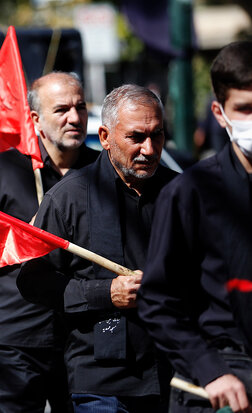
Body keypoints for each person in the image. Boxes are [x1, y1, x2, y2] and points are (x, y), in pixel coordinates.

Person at [17, 84, 177, 413]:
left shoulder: (182, 192)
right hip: (102, 381)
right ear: (104, 136)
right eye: (136, 137)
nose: (149, 149)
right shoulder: (69, 197)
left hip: (175, 371)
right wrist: (107, 293)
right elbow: (33, 281)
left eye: (157, 135)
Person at [137, 40, 252, 413]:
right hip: (220, 383)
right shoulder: (191, 191)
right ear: (219, 113)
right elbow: (157, 299)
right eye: (245, 109)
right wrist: (211, 370)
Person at [0, 72, 98, 413]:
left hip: (83, 336)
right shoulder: (1, 169)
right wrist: (21, 240)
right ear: (35, 119)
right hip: (17, 336)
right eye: (61, 110)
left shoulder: (102, 171)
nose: (74, 118)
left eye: (80, 107)